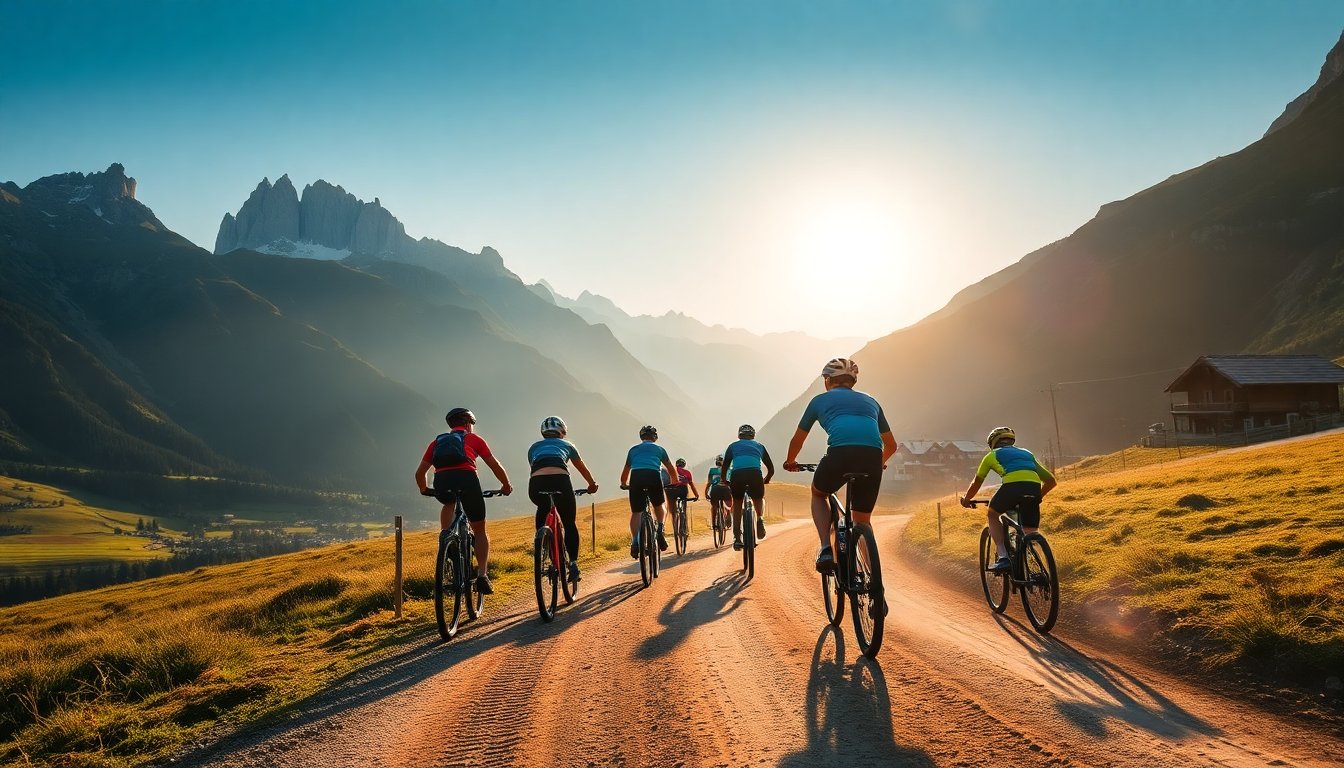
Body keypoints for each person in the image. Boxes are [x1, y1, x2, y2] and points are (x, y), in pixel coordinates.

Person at [783, 358, 897, 572]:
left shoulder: (819, 401)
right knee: (862, 521)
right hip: (872, 458)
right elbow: (891, 445)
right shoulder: (871, 401)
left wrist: (791, 462)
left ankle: (826, 547)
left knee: (819, 493)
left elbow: (798, 439)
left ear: (827, 380)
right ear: (853, 381)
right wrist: (878, 464)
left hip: (839, 455)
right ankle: (876, 591)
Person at [414, 407, 513, 594]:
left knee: (448, 503)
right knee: (480, 530)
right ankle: (483, 575)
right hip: (467, 480)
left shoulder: (437, 443)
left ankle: (446, 538)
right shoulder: (473, 439)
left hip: (442, 482)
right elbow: (494, 465)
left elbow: (420, 472)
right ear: (468, 424)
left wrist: (424, 489)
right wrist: (506, 485)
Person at [959, 427, 1057, 572]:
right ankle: (1033, 567)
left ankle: (1004, 557)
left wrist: (967, 499)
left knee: (992, 514)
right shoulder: (1026, 453)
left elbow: (977, 482)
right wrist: (1037, 498)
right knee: (1029, 532)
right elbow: (1051, 481)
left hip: (1012, 487)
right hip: (1033, 488)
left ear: (993, 442)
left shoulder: (992, 455)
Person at [527, 416, 599, 582]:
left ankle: (543, 544)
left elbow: (534, 466)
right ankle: (573, 564)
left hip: (536, 485)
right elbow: (581, 468)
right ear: (562, 432)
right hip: (561, 482)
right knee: (569, 523)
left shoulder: (533, 447)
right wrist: (592, 485)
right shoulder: (568, 445)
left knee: (543, 508)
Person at [619, 425, 679, 556]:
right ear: (655, 437)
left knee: (636, 512)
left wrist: (624, 483)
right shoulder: (660, 449)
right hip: (653, 476)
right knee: (659, 505)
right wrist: (674, 482)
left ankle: (635, 542)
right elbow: (670, 468)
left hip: (636, 477)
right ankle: (660, 530)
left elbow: (626, 470)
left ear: (641, 437)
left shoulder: (633, 450)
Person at [721, 424, 774, 550]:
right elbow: (771, 468)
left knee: (738, 503)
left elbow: (725, 466)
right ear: (753, 435)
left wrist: (724, 479)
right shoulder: (759, 446)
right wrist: (766, 479)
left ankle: (737, 538)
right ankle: (760, 519)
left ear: (739, 435)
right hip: (755, 475)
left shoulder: (732, 446)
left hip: (737, 475)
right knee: (758, 498)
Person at [705, 454, 731, 530]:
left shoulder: (712, 470)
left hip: (715, 490)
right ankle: (728, 513)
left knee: (714, 507)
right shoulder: (728, 470)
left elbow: (709, 482)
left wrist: (706, 492)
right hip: (725, 489)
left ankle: (714, 524)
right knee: (729, 503)